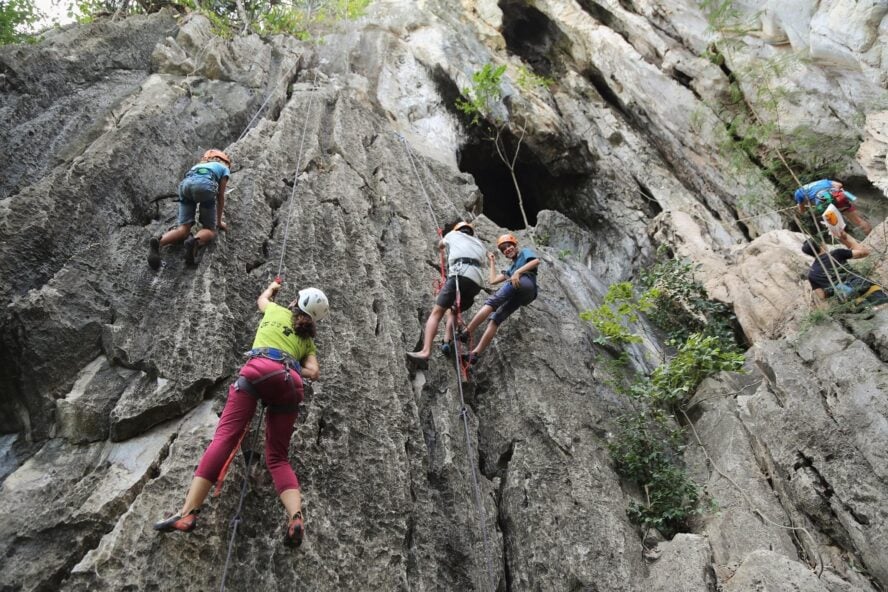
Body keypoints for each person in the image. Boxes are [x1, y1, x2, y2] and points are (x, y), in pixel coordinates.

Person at [154, 280, 329, 548]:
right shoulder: (308, 341)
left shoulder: (276, 310)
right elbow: (314, 373)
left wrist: (272, 288)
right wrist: (292, 364)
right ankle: (296, 517)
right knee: (278, 457)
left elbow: (262, 300)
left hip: (259, 369)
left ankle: (188, 513)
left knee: (224, 439)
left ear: (296, 302)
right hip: (291, 383)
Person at [406, 221, 486, 361]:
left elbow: (440, 245)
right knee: (455, 310)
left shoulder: (453, 234)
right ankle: (447, 341)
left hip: (459, 274)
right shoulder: (479, 244)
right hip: (476, 282)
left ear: (458, 230)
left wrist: (443, 238)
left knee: (437, 313)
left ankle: (425, 351)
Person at [459, 233, 540, 364]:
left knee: (492, 302)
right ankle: (475, 354)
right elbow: (493, 280)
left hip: (526, 281)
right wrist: (492, 261)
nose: (507, 249)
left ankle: (467, 332)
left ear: (515, 245)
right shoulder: (511, 269)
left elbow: (536, 261)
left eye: (509, 246)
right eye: (503, 249)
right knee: (496, 319)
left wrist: (518, 272)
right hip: (524, 295)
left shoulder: (524, 252)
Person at [148, 149, 231, 269]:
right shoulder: (224, 169)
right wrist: (218, 222)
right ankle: (194, 242)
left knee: (183, 228)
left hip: (185, 186)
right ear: (225, 162)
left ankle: (158, 242)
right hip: (205, 186)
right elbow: (221, 196)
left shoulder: (198, 166)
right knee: (210, 229)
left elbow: (191, 180)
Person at [800, 230, 885, 304]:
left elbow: (822, 296)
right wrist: (845, 237)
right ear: (821, 245)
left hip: (852, 303)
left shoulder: (812, 274)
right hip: (868, 290)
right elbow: (864, 252)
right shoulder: (836, 254)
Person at [794, 179, 872, 236]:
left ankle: (848, 243)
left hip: (823, 202)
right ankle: (871, 236)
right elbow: (839, 185)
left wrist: (800, 206)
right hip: (838, 196)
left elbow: (802, 211)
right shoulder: (823, 181)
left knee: (835, 228)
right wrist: (835, 195)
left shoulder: (798, 193)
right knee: (858, 221)